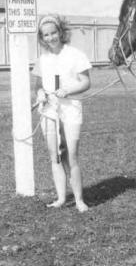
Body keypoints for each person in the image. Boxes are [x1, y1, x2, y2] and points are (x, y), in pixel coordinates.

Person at [31, 14, 92, 212]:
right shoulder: (42, 59)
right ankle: (60, 199)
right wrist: (40, 93)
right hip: (49, 110)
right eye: (46, 35)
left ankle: (79, 200)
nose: (50, 38)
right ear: (42, 37)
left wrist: (68, 90)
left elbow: (85, 82)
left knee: (71, 154)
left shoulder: (75, 54)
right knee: (55, 155)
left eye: (53, 33)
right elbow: (38, 85)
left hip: (70, 109)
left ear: (60, 32)